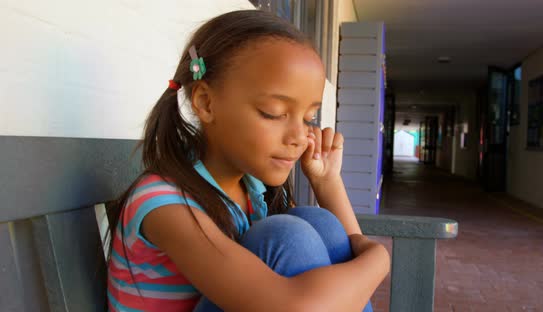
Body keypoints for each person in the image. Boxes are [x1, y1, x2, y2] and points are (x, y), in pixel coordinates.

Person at [106, 9, 390, 312]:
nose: (298, 135)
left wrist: (326, 181)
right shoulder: (164, 205)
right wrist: (379, 260)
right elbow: (298, 308)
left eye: (309, 117)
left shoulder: (249, 191)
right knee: (287, 235)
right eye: (274, 112)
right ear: (206, 102)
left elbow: (345, 255)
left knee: (317, 221)